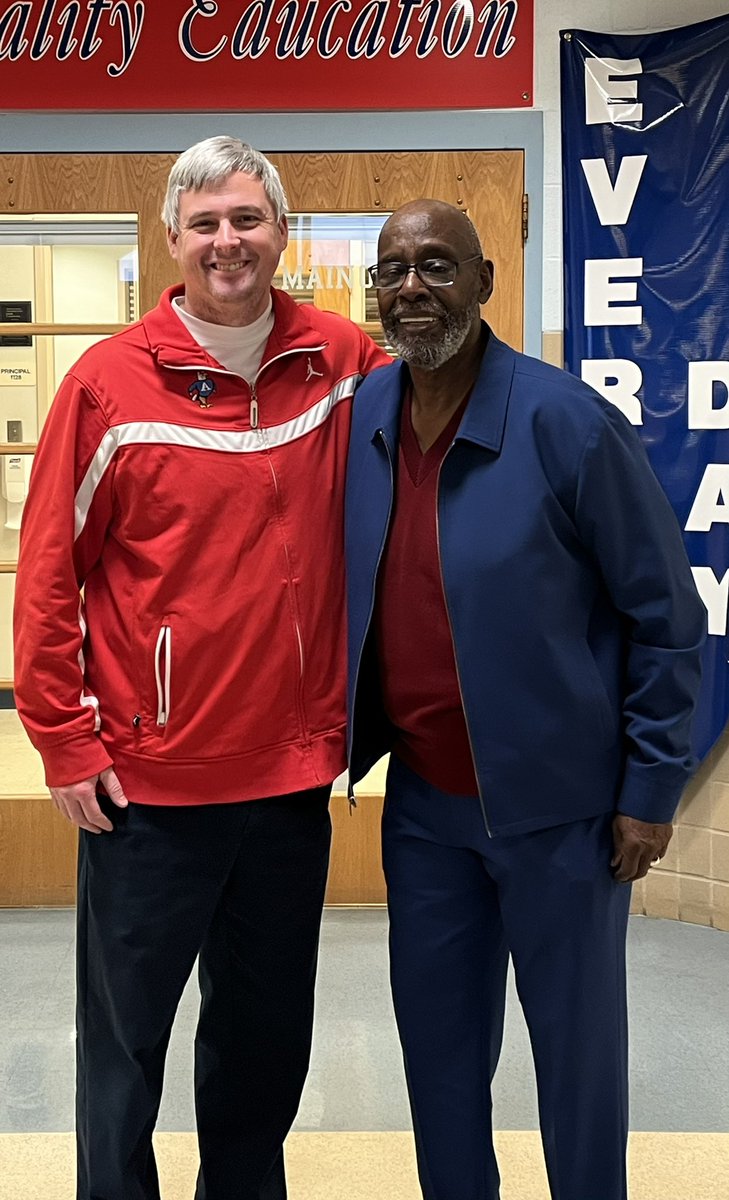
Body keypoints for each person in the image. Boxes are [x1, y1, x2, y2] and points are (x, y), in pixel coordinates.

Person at [13, 135, 388, 1200]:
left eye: (248, 219)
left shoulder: (342, 362)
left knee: (265, 1044)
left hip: (288, 782)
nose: (229, 241)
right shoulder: (104, 385)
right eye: (208, 223)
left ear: (282, 232)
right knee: (124, 1051)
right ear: (173, 237)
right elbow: (48, 575)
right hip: (147, 790)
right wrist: (64, 739)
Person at [345, 199, 706, 1200]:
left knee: (577, 1065)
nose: (413, 287)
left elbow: (668, 615)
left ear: (485, 284)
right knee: (439, 1059)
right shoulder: (366, 417)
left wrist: (649, 789)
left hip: (566, 818)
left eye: (438, 266)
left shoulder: (567, 423)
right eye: (394, 270)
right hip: (424, 811)